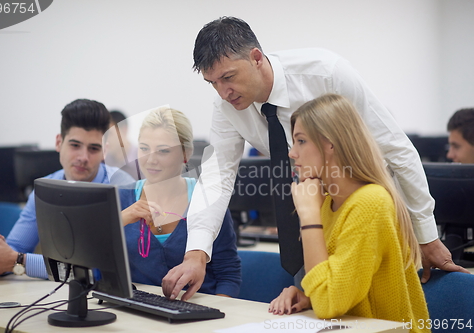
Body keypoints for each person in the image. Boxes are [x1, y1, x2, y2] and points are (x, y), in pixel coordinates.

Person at [162, 16, 468, 301]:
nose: (223, 92)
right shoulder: (227, 108)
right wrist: (195, 255)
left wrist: (426, 236)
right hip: (311, 222)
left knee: (370, 307)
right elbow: (216, 179)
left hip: (365, 215)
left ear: (256, 58)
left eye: (228, 77)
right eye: (212, 83)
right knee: (322, 303)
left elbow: (396, 150)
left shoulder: (326, 73)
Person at [268, 94, 430, 332]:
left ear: (330, 144)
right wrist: (308, 295)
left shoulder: (370, 203)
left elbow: (329, 304)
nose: (292, 153)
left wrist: (309, 217)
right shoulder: (330, 203)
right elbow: (339, 288)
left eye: (301, 141)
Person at [0, 99, 120, 278]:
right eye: (75, 145)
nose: (83, 157)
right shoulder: (44, 190)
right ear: (59, 143)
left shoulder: (121, 188)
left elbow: (97, 271)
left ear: (104, 152)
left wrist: (18, 261)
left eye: (94, 149)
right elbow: (15, 249)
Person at [118, 106, 241, 297]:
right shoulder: (121, 198)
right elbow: (95, 263)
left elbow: (228, 275)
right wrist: (119, 220)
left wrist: (215, 317)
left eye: (163, 151)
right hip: (139, 312)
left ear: (186, 153)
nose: (150, 160)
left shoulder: (208, 200)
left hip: (197, 311)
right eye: (144, 149)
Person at [105, 109, 143, 180]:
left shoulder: (144, 160)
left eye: (110, 134)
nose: (106, 141)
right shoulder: (104, 161)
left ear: (124, 130)